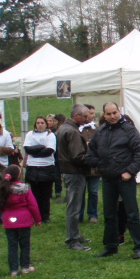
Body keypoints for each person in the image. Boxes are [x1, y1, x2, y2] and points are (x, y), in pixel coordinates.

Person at [86, 102, 140, 259]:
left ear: (119, 111)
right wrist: (100, 164)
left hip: (125, 179)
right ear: (104, 115)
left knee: (132, 214)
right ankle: (111, 245)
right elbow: (90, 153)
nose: (112, 116)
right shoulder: (100, 132)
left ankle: (139, 247)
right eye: (109, 114)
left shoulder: (129, 130)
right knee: (109, 214)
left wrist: (130, 171)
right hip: (108, 179)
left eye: (114, 113)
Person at [56, 105, 92, 251]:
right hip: (74, 172)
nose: (87, 119)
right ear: (76, 116)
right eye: (85, 116)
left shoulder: (64, 128)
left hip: (68, 171)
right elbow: (77, 156)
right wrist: (92, 159)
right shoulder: (72, 131)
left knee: (73, 205)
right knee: (74, 206)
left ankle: (75, 234)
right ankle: (72, 240)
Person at [0, 165, 41, 276]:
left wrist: (5, 210)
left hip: (9, 222)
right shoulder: (25, 189)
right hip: (24, 221)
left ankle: (13, 270)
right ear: (19, 175)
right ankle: (25, 267)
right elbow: (33, 205)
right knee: (25, 244)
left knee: (12, 245)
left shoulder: (4, 189)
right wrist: (37, 219)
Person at [23, 116, 56, 223]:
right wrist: (42, 147)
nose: (40, 125)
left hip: (47, 167)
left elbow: (49, 150)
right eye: (38, 123)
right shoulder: (30, 134)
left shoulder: (50, 135)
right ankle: (35, 215)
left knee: (46, 194)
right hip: (33, 167)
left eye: (42, 123)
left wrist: (35, 152)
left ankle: (45, 216)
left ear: (46, 124)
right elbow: (27, 148)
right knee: (35, 194)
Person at [79, 104, 100, 224]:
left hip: (95, 166)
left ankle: (93, 214)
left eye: (93, 113)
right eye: (90, 113)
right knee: (80, 192)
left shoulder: (97, 129)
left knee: (93, 191)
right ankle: (79, 214)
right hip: (81, 166)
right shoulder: (77, 129)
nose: (93, 115)